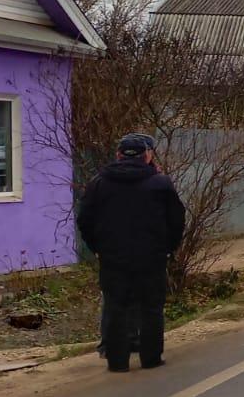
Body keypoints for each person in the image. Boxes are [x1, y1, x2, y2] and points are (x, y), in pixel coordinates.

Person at [78, 132, 186, 372]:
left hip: (113, 258)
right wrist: (168, 248)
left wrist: (97, 248)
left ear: (118, 155)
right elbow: (177, 220)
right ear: (147, 156)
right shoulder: (161, 184)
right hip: (152, 257)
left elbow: (84, 219)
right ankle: (151, 358)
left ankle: (117, 362)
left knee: (116, 307)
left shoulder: (99, 183)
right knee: (151, 307)